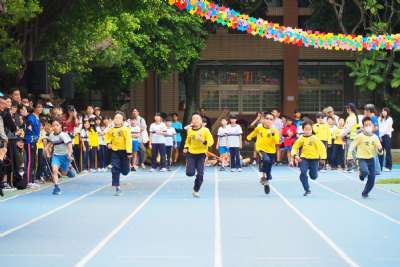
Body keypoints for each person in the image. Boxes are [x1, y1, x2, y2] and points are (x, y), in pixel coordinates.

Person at [347, 117, 383, 198]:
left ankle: (365, 192)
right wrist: (349, 156)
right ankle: (361, 174)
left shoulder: (375, 137)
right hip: (361, 159)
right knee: (365, 172)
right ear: (363, 127)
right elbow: (352, 146)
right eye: (366, 125)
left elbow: (379, 151)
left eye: (370, 125)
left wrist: (380, 150)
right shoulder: (360, 136)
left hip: (371, 159)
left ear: (373, 126)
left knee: (372, 180)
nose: (368, 126)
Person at [291, 120, 327, 196]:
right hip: (304, 158)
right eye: (306, 129)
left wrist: (323, 158)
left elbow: (322, 148)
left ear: (312, 129)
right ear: (303, 129)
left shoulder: (315, 138)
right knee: (303, 172)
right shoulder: (301, 138)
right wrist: (295, 155)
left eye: (309, 129)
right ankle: (307, 189)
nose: (307, 131)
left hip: (314, 159)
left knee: (313, 176)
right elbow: (294, 147)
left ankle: (314, 172)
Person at [247, 113, 280, 194]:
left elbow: (277, 141)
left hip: (271, 150)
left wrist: (272, 133)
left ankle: (266, 182)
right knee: (266, 160)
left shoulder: (274, 130)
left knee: (269, 164)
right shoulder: (259, 128)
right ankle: (266, 174)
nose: (268, 120)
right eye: (267, 118)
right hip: (261, 149)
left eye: (271, 119)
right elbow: (253, 133)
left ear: (273, 121)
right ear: (264, 120)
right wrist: (249, 137)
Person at [183, 113, 214, 198]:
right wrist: (186, 147)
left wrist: (203, 141)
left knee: (200, 174)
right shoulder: (190, 130)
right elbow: (188, 141)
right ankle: (189, 167)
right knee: (190, 173)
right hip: (191, 154)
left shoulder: (205, 130)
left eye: (197, 119)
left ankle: (196, 190)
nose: (195, 120)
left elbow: (211, 142)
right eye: (194, 119)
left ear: (201, 121)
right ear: (191, 121)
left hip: (201, 155)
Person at [44, 119, 75, 195]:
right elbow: (50, 142)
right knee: (54, 170)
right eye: (53, 125)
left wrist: (69, 154)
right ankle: (56, 188)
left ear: (60, 126)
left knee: (64, 173)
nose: (55, 127)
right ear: (52, 127)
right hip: (56, 156)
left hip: (65, 156)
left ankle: (69, 170)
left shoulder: (63, 135)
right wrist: (47, 150)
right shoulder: (51, 135)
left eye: (57, 125)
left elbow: (69, 145)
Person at [105, 112, 132, 196]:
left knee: (125, 172)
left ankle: (126, 168)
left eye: (119, 118)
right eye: (115, 118)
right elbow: (107, 136)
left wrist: (129, 152)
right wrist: (108, 143)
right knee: (115, 168)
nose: (117, 119)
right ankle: (117, 187)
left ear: (122, 120)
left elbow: (128, 140)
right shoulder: (111, 129)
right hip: (115, 151)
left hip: (124, 152)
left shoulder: (125, 129)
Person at [24, 101, 42, 188]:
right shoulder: (31, 118)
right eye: (38, 107)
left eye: (41, 107)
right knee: (30, 161)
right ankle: (28, 182)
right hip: (29, 141)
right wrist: (32, 137)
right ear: (34, 108)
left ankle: (32, 180)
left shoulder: (38, 118)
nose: (40, 108)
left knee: (34, 161)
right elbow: (28, 130)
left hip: (35, 142)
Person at [363, 104, 381, 175]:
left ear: (369, 111)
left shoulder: (373, 117)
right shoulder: (371, 117)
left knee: (374, 155)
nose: (364, 111)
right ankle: (376, 170)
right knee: (374, 154)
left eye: (365, 110)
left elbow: (376, 128)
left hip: (374, 138)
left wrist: (368, 131)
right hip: (372, 137)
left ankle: (376, 170)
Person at [341, 103, 359, 172]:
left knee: (351, 152)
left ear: (350, 109)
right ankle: (350, 167)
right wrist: (343, 134)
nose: (346, 110)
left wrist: (342, 134)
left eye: (347, 108)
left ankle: (354, 167)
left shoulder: (352, 117)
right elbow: (346, 127)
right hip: (349, 137)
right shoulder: (350, 117)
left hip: (352, 137)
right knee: (349, 152)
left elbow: (348, 128)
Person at [378, 107, 393, 172]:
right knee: (380, 151)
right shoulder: (380, 118)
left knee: (388, 152)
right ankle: (379, 166)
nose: (383, 112)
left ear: (387, 112)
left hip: (386, 136)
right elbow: (378, 127)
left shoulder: (390, 119)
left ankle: (388, 167)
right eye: (382, 111)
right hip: (380, 137)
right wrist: (379, 136)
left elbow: (386, 129)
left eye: (385, 111)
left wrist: (380, 135)